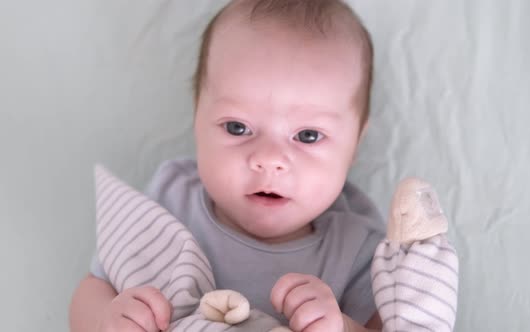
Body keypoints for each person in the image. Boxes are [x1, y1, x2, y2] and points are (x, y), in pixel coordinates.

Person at [69, 0, 385, 331]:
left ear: (355, 144)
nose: (269, 160)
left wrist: (342, 326)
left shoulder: (359, 249)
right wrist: (107, 319)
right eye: (238, 127)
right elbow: (95, 288)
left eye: (307, 135)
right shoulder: (171, 200)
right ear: (197, 118)